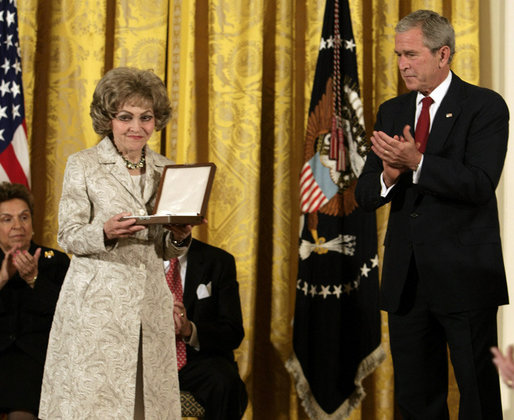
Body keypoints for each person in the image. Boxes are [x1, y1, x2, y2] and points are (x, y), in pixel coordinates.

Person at [355, 9, 509, 420]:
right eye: (398, 55)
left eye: (411, 55)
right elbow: (365, 194)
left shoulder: (484, 106)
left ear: (444, 55)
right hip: (408, 279)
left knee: (477, 395)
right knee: (416, 399)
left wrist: (419, 163)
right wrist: (388, 174)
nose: (402, 64)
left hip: (465, 276)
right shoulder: (393, 111)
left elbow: (479, 183)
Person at [39, 67, 194, 420]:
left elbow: (165, 247)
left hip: (150, 305)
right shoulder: (83, 165)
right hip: (97, 307)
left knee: (146, 405)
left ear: (157, 120)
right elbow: (68, 235)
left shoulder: (166, 169)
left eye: (146, 117)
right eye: (125, 117)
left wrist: (179, 237)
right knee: (94, 405)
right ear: (108, 119)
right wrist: (105, 231)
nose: (136, 127)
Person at [0, 182, 70, 420]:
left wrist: (34, 279)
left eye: (24, 217)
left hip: (37, 359)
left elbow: (69, 315)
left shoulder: (56, 262)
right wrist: (2, 278)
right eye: (7, 219)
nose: (17, 226)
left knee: (22, 396)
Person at [166, 238, 247, 420]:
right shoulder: (137, 257)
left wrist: (189, 330)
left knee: (225, 382)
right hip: (146, 360)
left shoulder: (218, 261)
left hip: (194, 361)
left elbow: (232, 332)